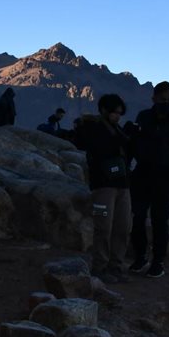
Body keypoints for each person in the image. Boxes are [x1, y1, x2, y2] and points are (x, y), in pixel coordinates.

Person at [128, 81, 169, 279]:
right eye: (163, 99)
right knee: (137, 217)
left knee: (160, 220)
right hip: (142, 173)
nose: (167, 103)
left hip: (165, 176)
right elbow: (133, 144)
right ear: (154, 98)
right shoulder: (143, 117)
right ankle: (140, 257)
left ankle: (158, 262)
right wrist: (127, 167)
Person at [72, 94, 133, 283]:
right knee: (103, 228)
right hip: (103, 185)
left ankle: (116, 266)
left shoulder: (118, 129)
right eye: (114, 112)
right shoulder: (93, 128)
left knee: (123, 227)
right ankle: (100, 267)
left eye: (120, 113)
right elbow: (95, 147)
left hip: (122, 184)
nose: (117, 116)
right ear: (104, 110)